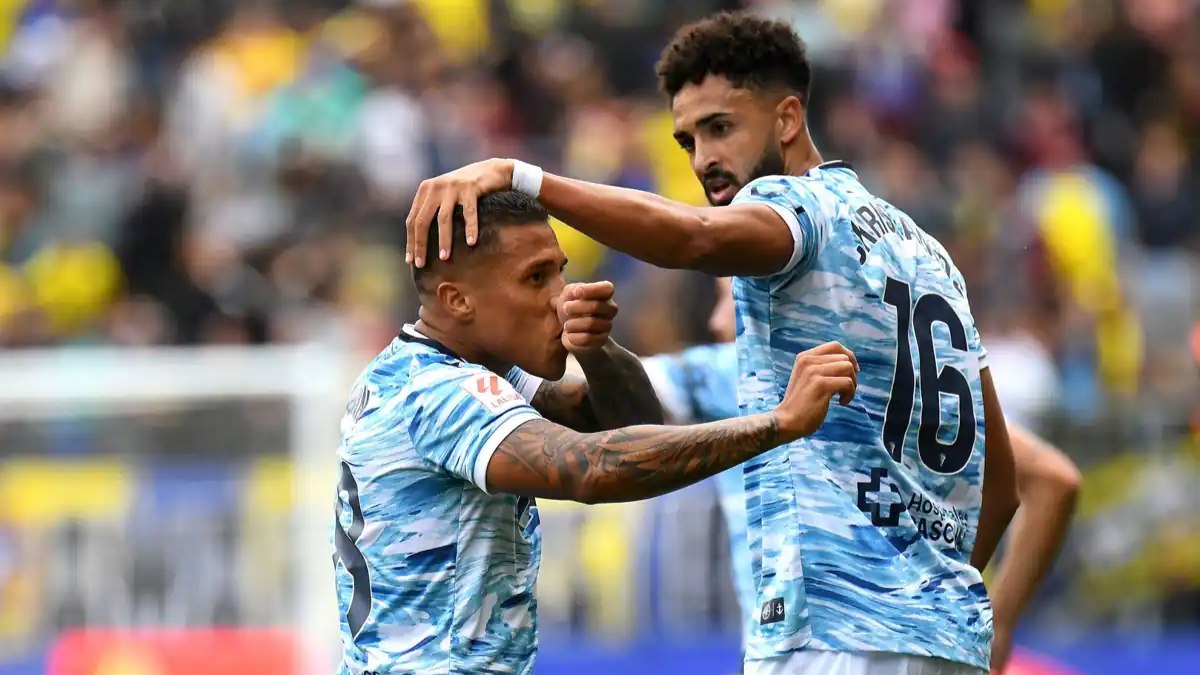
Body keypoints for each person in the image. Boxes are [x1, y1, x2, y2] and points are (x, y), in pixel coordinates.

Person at [405, 13, 1021, 675]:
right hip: (945, 640)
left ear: (787, 119)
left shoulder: (798, 205)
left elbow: (694, 238)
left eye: (720, 128)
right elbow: (1005, 483)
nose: (703, 160)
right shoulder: (928, 254)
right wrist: (926, 597)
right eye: (687, 140)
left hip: (833, 634)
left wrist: (524, 178)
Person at [334, 191, 860, 674]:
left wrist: (596, 349)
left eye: (560, 273)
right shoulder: (433, 390)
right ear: (458, 300)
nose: (561, 298)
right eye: (535, 278)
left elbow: (629, 420)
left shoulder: (472, 373)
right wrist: (778, 423)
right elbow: (591, 468)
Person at [642, 278, 1081, 674]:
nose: (718, 322)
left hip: (821, 652)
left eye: (729, 300)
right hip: (900, 647)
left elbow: (1050, 481)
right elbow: (1051, 480)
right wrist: (988, 622)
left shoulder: (737, 373)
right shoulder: (882, 382)